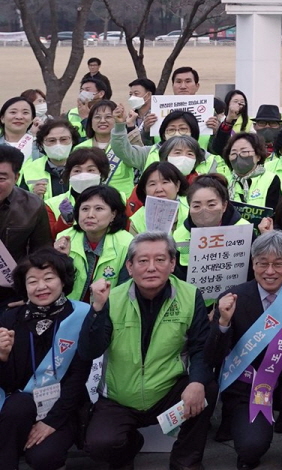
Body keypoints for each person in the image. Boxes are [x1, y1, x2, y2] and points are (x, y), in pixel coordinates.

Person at [84, 231, 217, 469]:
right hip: (119, 397)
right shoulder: (112, 298)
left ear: (172, 264)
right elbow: (89, 351)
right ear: (130, 266)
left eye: (160, 259)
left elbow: (200, 347)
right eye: (143, 261)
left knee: (206, 387)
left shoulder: (189, 295)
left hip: (167, 390)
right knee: (100, 445)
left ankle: (185, 462)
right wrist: (97, 309)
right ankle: (130, 446)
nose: (151, 268)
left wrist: (196, 382)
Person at [212, 231, 282, 470]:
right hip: (247, 384)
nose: (270, 271)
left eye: (278, 264)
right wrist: (222, 323)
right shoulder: (233, 298)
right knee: (250, 449)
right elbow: (212, 355)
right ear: (253, 263)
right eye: (262, 263)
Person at [0, 249, 104, 470]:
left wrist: (51, 422)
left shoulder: (80, 315)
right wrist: (2, 358)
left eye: (48, 278)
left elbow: (78, 378)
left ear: (63, 281)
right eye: (32, 281)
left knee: (44, 457)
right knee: (17, 406)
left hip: (64, 406)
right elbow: (9, 384)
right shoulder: (11, 318)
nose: (41, 287)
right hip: (22, 407)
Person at [0, 144, 50, 305]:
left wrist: (31, 295)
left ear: (16, 178)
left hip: (11, 291)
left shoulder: (33, 206)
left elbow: (42, 253)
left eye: (1, 178)